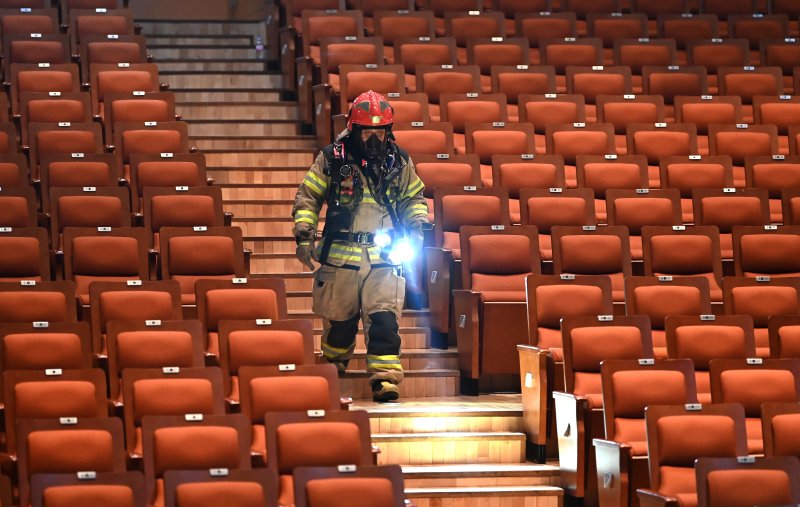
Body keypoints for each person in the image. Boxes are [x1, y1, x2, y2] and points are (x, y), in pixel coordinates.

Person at [291, 90, 429, 402]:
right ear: (354, 130)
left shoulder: (399, 161)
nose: (374, 139)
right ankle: (332, 370)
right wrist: (304, 234)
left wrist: (417, 226)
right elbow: (308, 198)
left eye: (380, 132)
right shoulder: (332, 158)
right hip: (341, 256)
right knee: (339, 323)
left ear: (388, 131)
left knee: (384, 319)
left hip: (384, 257)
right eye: (367, 132)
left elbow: (413, 199)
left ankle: (385, 379)